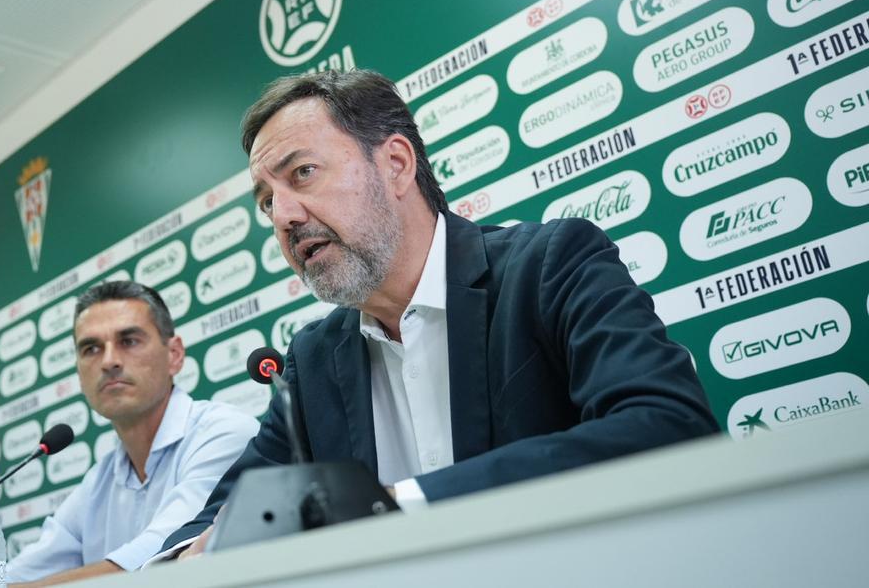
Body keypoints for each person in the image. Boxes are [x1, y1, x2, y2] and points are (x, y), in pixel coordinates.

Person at [162, 69, 719, 557]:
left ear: (397, 165)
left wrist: (389, 507)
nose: (283, 216)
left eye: (302, 173)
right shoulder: (312, 360)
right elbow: (222, 515)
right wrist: (185, 558)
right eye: (266, 201)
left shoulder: (550, 265)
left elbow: (668, 427)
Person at [0, 281, 259, 586]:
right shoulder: (98, 481)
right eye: (91, 348)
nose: (109, 360)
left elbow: (154, 558)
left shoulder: (223, 432)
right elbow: (20, 573)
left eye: (129, 340)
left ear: (174, 354)